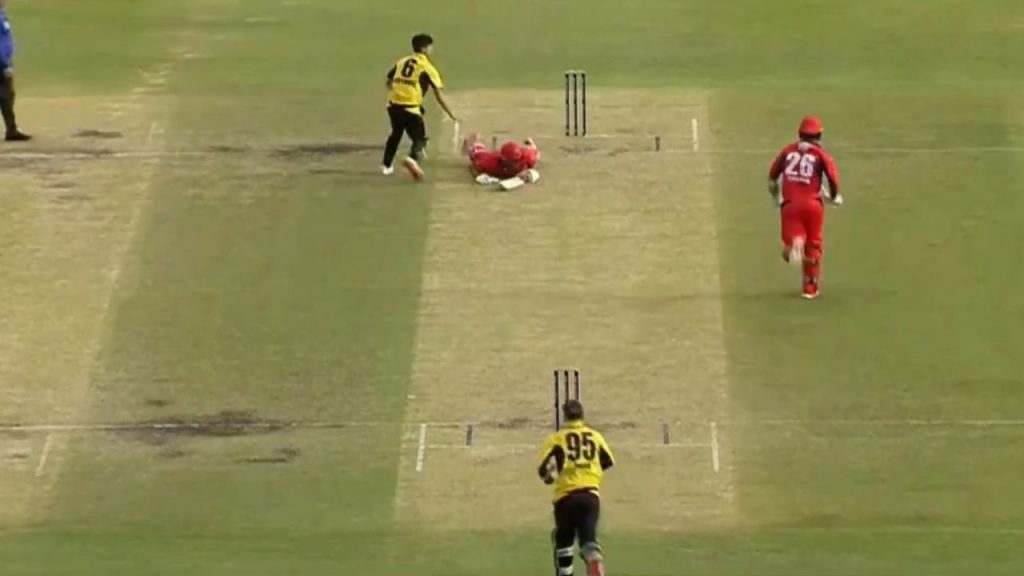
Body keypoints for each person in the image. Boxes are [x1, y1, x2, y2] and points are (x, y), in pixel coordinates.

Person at [768, 116, 843, 299]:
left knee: (788, 250)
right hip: (813, 205)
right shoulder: (820, 155)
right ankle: (809, 288)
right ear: (819, 135)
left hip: (790, 205)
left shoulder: (787, 151)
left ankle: (795, 241)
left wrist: (776, 197)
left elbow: (772, 177)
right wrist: (833, 197)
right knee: (814, 246)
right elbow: (833, 179)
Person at [536, 400, 615, 576]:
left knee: (563, 541)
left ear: (564, 416)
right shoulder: (595, 436)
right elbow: (608, 461)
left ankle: (566, 574)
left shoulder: (557, 438)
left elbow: (543, 471)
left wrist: (552, 476)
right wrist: (590, 471)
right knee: (589, 542)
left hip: (566, 498)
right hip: (590, 496)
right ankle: (594, 562)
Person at [381, 33, 457, 181]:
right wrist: (451, 113)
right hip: (411, 108)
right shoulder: (427, 67)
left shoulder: (402, 61)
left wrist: (400, 91)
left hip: (393, 106)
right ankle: (412, 159)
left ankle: (386, 166)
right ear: (425, 48)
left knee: (395, 134)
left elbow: (389, 82)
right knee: (420, 140)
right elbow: (438, 94)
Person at [0, 0, 30, 141]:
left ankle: (11, 129)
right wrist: (5, 64)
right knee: (6, 95)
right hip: (1, 63)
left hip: (4, 60)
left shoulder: (2, 15)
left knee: (8, 95)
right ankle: (11, 130)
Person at [464, 134, 540, 185]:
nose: (515, 164)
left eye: (517, 161)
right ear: (504, 160)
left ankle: (529, 143)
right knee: (473, 150)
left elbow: (536, 153)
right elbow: (473, 166)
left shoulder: (529, 157)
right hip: (491, 157)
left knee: (532, 149)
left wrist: (528, 174)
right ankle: (476, 140)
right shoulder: (490, 163)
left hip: (526, 151)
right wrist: (480, 176)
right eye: (512, 162)